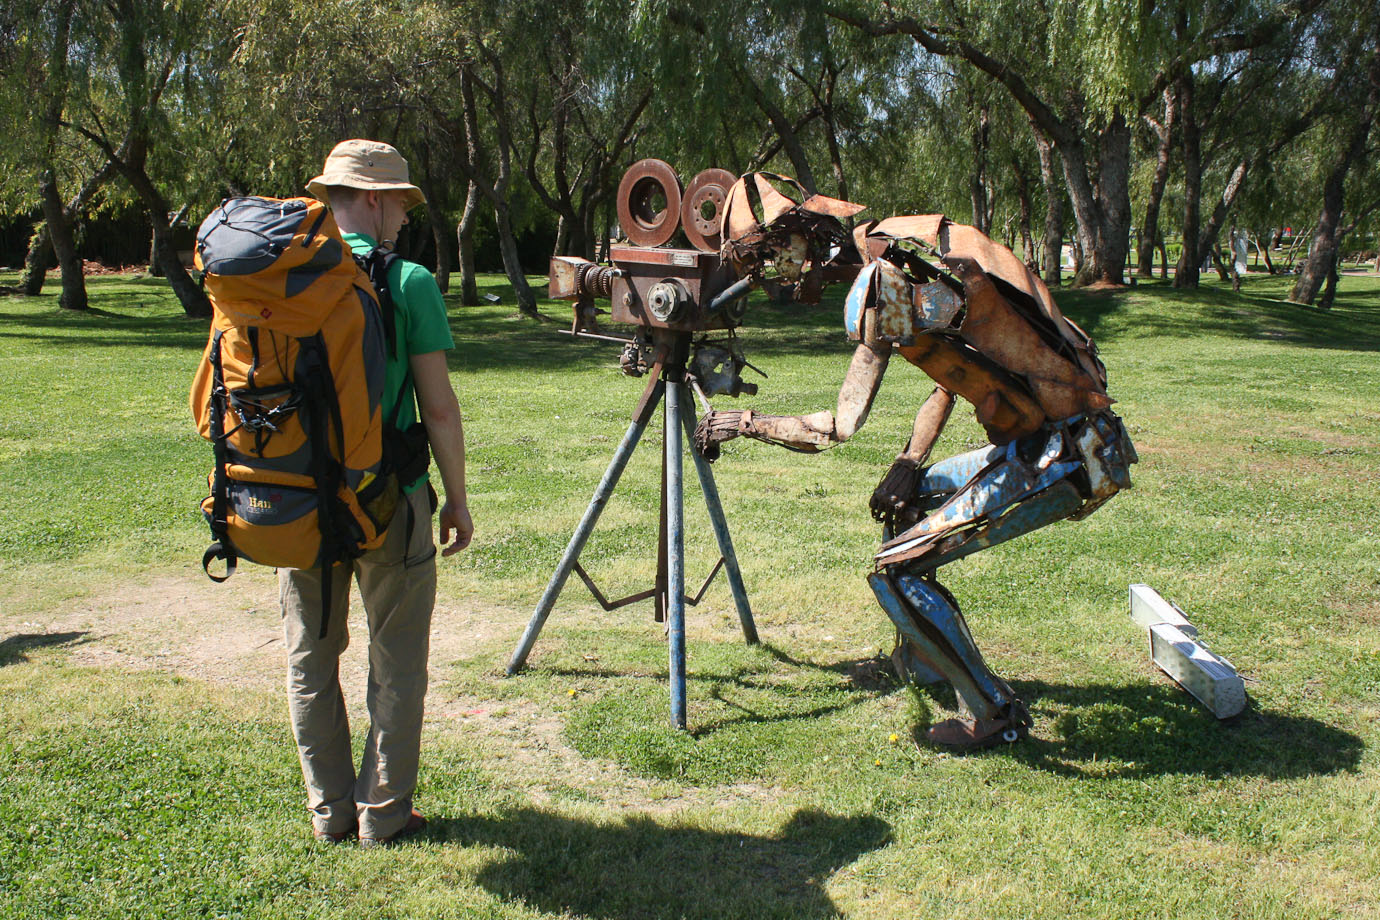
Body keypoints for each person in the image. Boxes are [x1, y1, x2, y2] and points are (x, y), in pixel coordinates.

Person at [280, 138, 473, 847]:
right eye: (399, 202)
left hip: (299, 501)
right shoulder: (409, 281)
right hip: (389, 499)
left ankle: (329, 812)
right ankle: (383, 814)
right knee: (396, 663)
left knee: (311, 657)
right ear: (370, 198)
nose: (405, 215)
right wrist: (457, 499)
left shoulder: (282, 275)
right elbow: (439, 410)